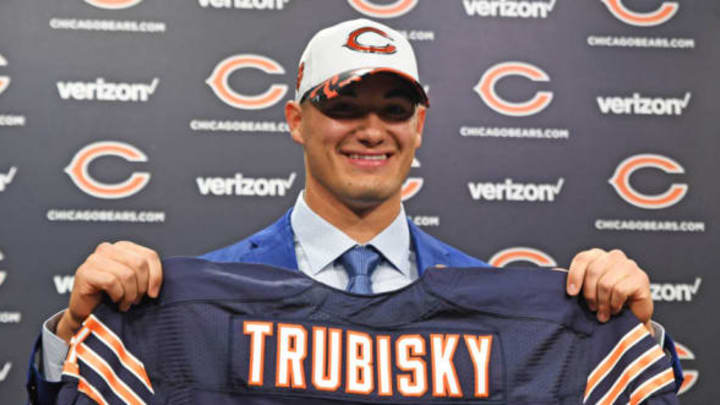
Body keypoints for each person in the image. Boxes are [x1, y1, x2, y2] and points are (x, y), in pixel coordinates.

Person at [26, 18, 680, 403]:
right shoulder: (189, 305)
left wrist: (621, 332)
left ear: (419, 125)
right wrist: (83, 330)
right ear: (295, 119)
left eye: (393, 110)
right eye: (343, 105)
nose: (372, 130)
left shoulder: (495, 306)